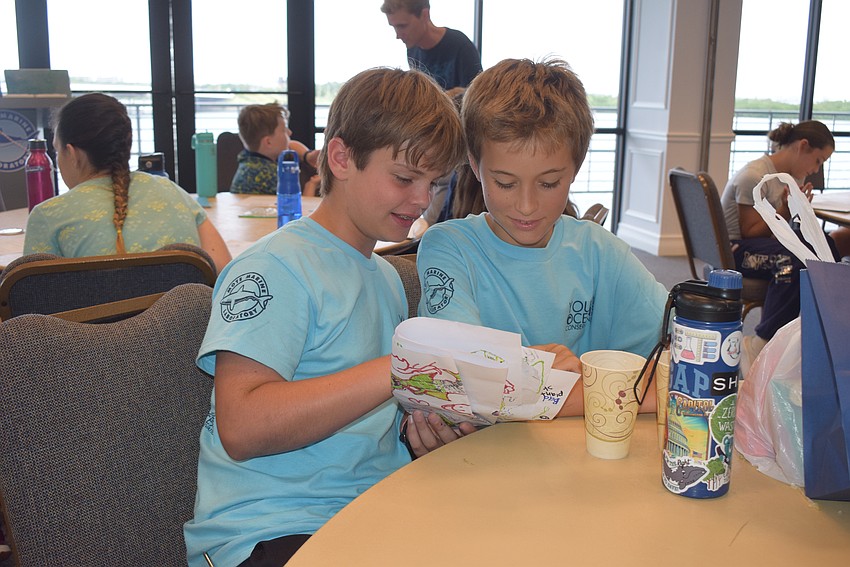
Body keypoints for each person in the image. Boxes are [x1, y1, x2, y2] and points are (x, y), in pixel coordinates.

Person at [183, 67, 467, 567]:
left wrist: (424, 429)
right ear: (341, 158)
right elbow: (242, 426)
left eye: (433, 182)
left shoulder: (384, 278)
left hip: (374, 514)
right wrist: (396, 368)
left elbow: (365, 421)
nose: (422, 199)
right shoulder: (274, 268)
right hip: (271, 530)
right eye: (404, 177)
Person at [407, 59, 667, 452]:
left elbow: (686, 362)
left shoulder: (602, 252)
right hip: (487, 466)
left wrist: (532, 384)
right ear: (475, 166)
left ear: (575, 169)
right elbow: (465, 383)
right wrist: (598, 388)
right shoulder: (449, 247)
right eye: (505, 182)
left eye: (549, 182)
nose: (527, 206)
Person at [23, 93, 231, 273]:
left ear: (72, 153)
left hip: (91, 321)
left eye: (57, 150)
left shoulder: (48, 216)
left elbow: (34, 302)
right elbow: (222, 267)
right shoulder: (170, 191)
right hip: (184, 318)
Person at [720, 120, 850, 368]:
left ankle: (824, 336)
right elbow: (750, 233)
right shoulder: (754, 175)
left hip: (758, 246)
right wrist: (785, 209)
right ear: (803, 146)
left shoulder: (784, 179)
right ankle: (762, 343)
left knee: (828, 250)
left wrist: (796, 207)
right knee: (791, 261)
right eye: (818, 161)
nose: (815, 169)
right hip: (737, 250)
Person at [381, 0, 482, 90]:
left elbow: (477, 95)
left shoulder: (461, 46)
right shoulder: (412, 50)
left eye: (403, 26)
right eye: (394, 27)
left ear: (425, 15)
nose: (398, 35)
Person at [229, 102, 320, 196]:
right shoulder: (269, 175)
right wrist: (312, 185)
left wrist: (307, 156)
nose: (290, 132)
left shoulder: (247, 160)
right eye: (284, 130)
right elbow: (294, 207)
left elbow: (291, 145)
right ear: (268, 142)